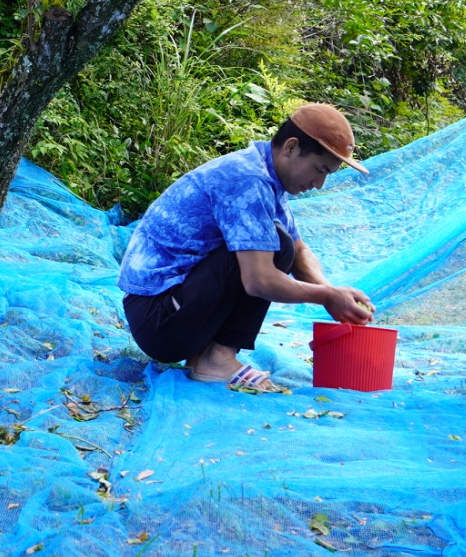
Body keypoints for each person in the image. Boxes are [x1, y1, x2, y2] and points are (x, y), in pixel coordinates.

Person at [118, 103, 376, 393]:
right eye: (319, 169)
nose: (319, 184)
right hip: (158, 319)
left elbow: (300, 252)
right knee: (272, 246)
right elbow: (259, 280)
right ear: (291, 147)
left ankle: (203, 356)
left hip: (174, 310)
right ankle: (217, 358)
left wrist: (333, 293)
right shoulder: (247, 180)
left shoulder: (267, 175)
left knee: (280, 244)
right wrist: (327, 296)